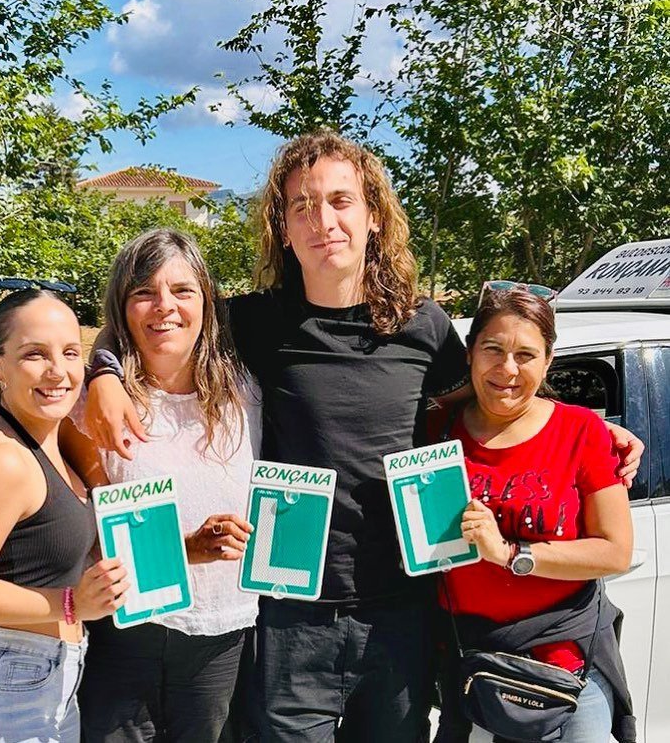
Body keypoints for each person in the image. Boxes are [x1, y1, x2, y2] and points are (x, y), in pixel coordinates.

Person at [83, 130, 644, 742]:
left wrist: (592, 429)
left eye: (340, 201)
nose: (323, 220)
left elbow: (496, 395)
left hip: (401, 609)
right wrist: (103, 373)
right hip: (286, 612)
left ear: (374, 215)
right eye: (302, 206)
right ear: (283, 228)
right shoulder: (252, 322)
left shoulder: (423, 326)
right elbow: (155, 317)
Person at [61, 228, 261, 743]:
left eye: (182, 290)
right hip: (125, 634)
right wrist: (103, 372)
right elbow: (91, 529)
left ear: (207, 303)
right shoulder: (89, 405)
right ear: (122, 307)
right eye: (144, 292)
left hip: (222, 633)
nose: (164, 306)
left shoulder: (247, 392)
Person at [434, 284, 635, 743]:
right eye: (493, 349)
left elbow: (615, 551)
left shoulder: (580, 430)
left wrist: (509, 554)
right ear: (469, 354)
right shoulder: (434, 430)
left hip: (565, 676)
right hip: (469, 674)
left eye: (525, 355)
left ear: (547, 362)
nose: (507, 368)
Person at [0, 289, 128, 743]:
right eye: (35, 354)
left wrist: (189, 550)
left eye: (70, 352)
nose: (58, 371)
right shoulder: (3, 458)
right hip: (7, 691)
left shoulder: (52, 442)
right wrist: (71, 604)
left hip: (40, 683)